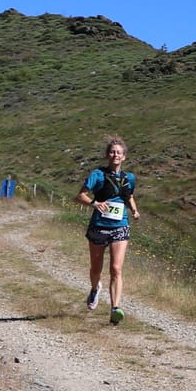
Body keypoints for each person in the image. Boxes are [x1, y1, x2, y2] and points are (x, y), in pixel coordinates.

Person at [78, 137, 140, 325]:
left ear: (124, 157)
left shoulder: (129, 178)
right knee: (96, 268)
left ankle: (115, 308)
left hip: (120, 226)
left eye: (119, 152)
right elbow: (80, 195)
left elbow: (129, 196)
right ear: (107, 155)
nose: (115, 155)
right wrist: (95, 203)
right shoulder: (97, 174)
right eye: (112, 152)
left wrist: (135, 210)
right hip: (99, 226)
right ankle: (95, 288)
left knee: (116, 268)